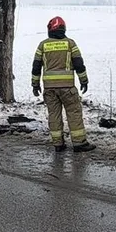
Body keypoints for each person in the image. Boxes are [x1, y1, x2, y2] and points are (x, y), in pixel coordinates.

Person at [31, 16, 96, 153]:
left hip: (49, 89)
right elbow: (79, 64)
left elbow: (36, 66)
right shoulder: (70, 44)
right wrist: (84, 80)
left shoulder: (42, 45)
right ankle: (79, 143)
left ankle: (58, 143)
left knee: (54, 115)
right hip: (67, 88)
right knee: (74, 113)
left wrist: (35, 84)